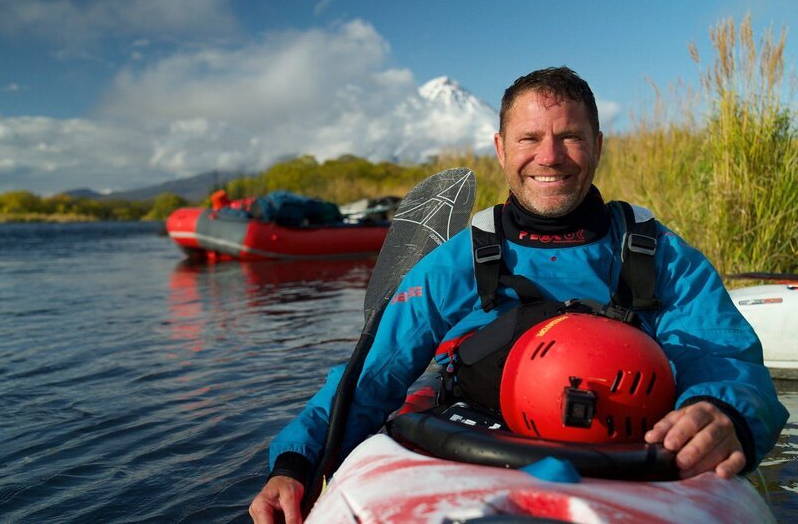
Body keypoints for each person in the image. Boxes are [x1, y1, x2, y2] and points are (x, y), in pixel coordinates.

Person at [249, 67, 788, 523]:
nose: (549, 156)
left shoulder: (657, 253)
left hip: (628, 443)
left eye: (570, 137)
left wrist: (724, 410)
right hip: (465, 431)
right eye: (530, 139)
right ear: (502, 150)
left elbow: (720, 354)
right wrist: (295, 463)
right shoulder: (457, 261)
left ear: (598, 147)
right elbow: (373, 374)